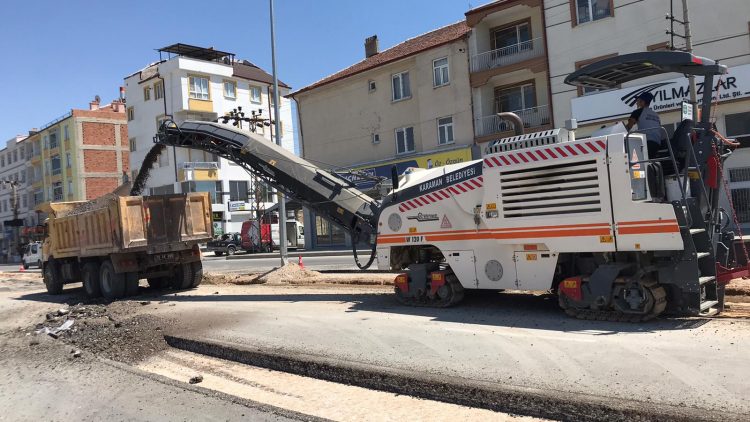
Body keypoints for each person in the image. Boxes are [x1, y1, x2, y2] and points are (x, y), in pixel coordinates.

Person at [625, 92, 663, 158]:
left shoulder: (637, 112)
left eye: (638, 100)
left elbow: (628, 127)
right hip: (657, 143)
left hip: (646, 143)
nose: (636, 103)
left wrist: (620, 131)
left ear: (642, 102)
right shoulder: (656, 115)